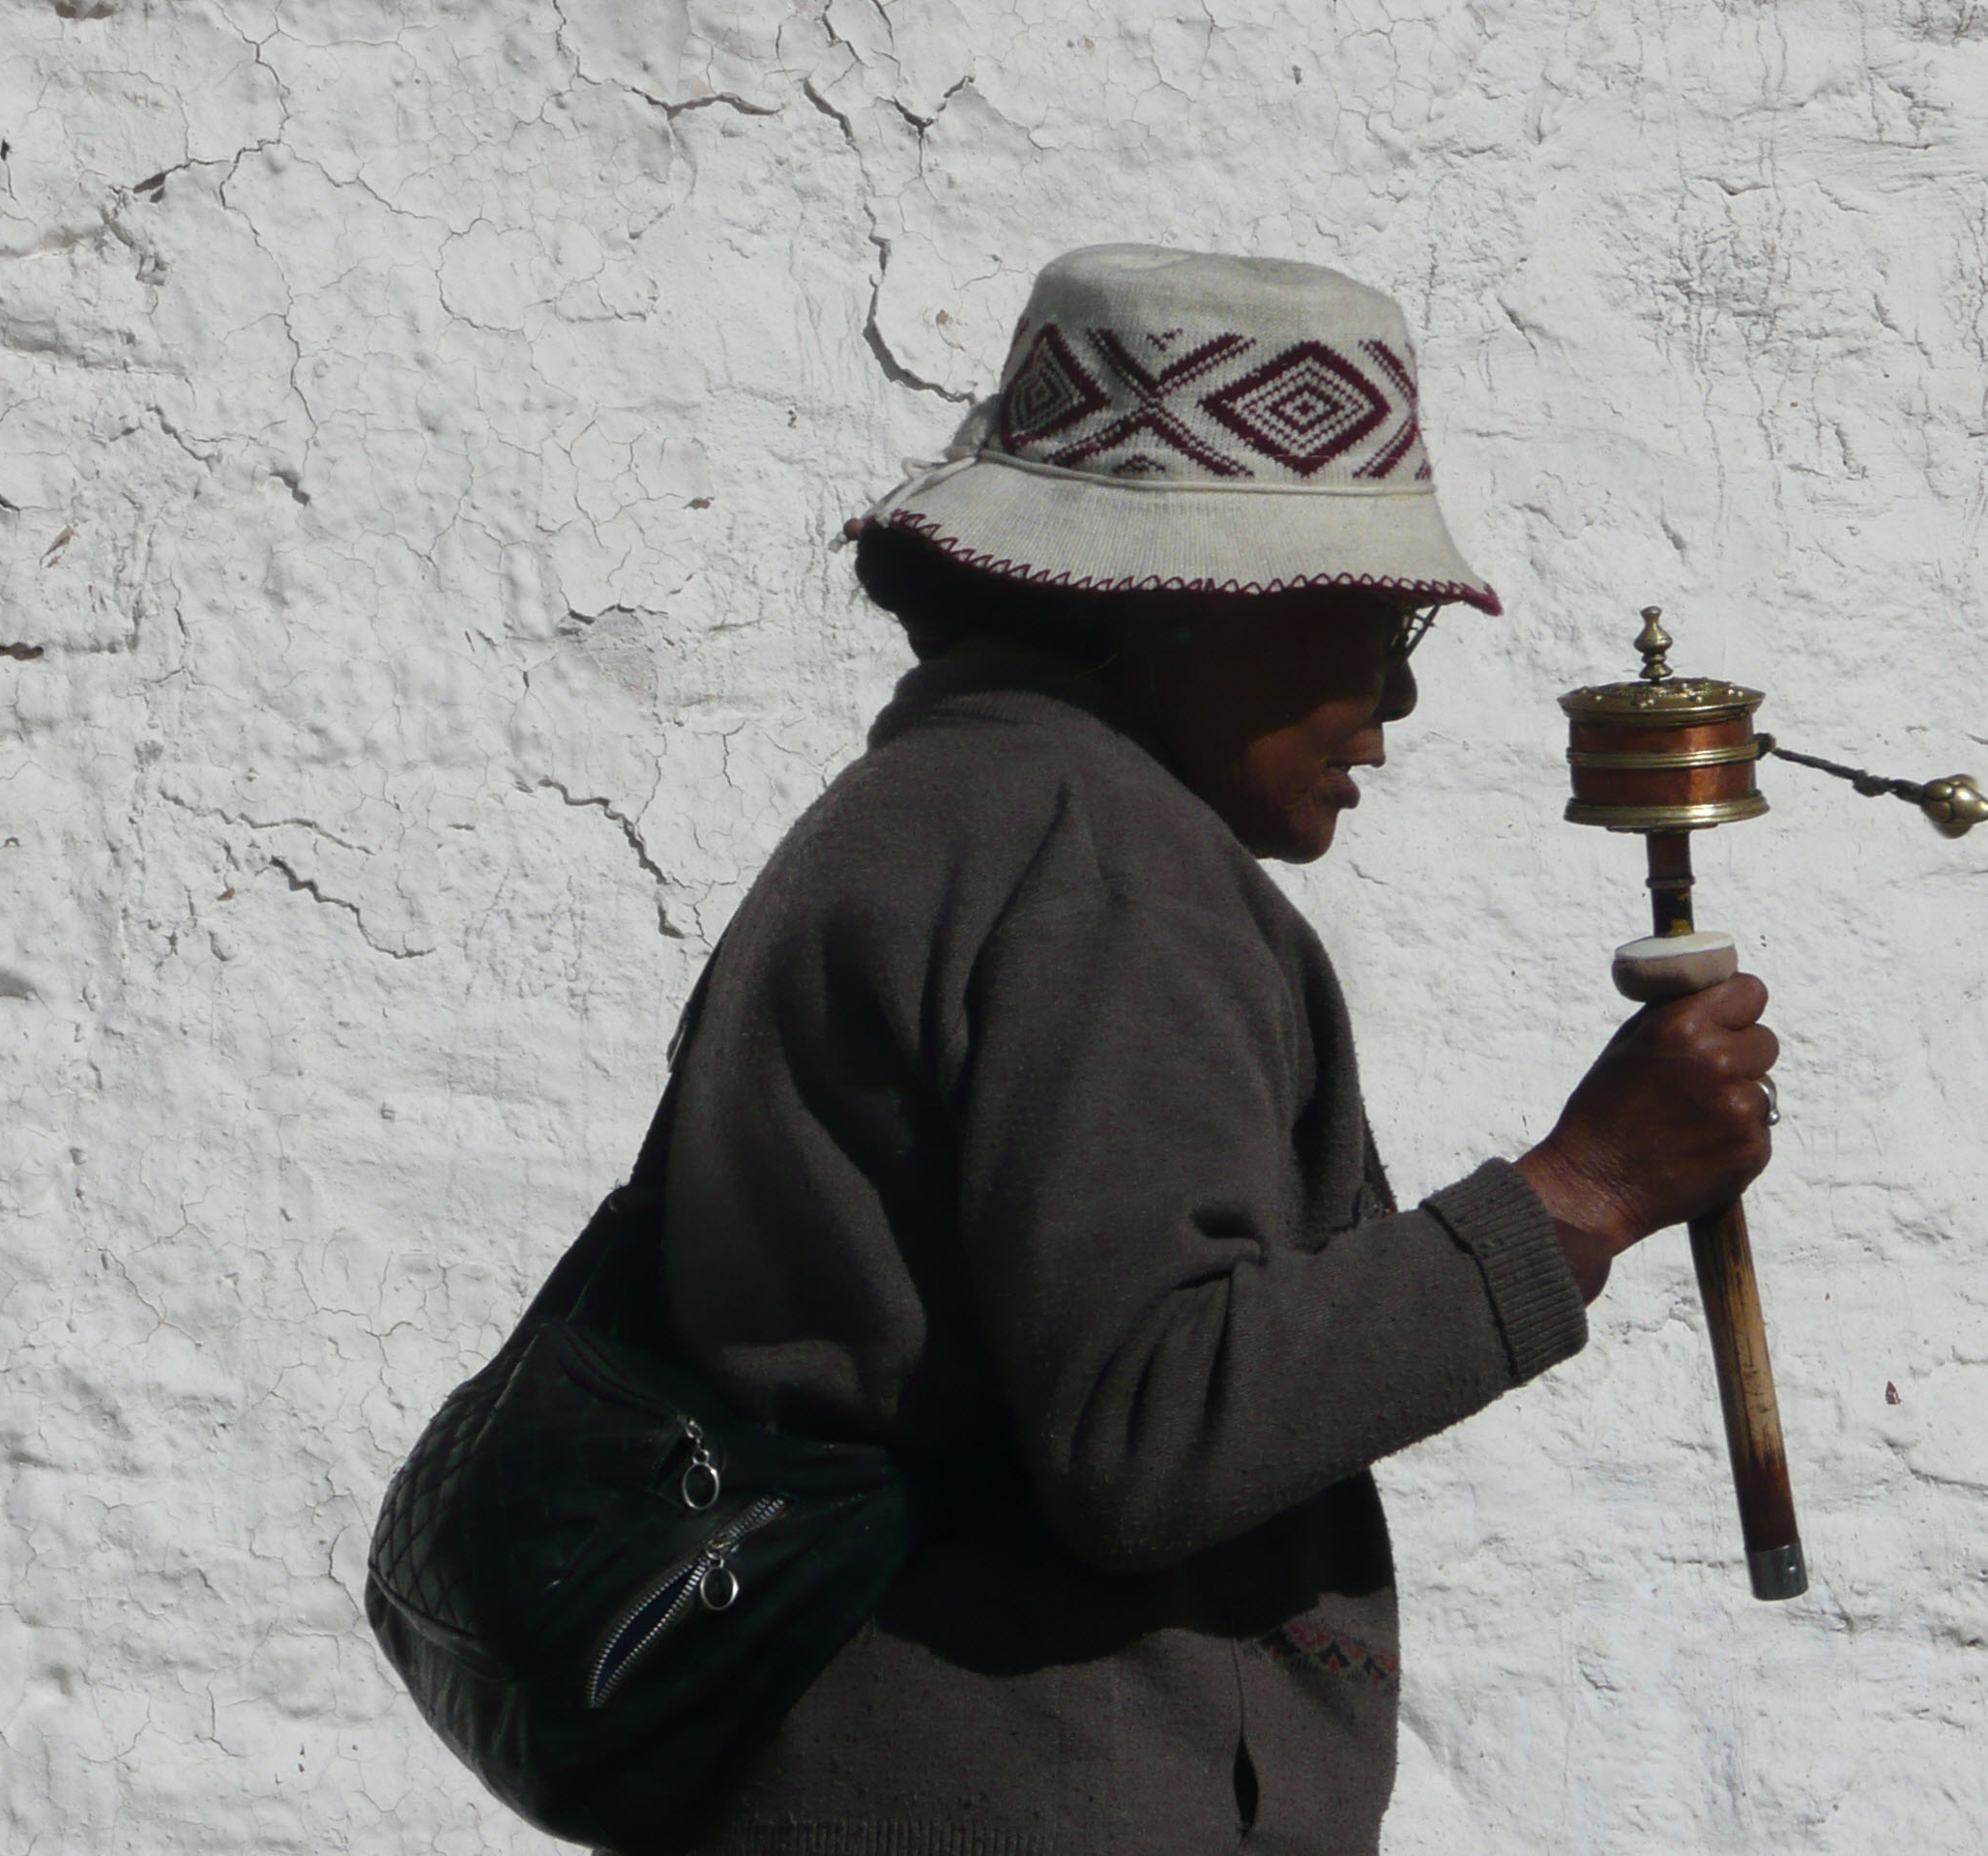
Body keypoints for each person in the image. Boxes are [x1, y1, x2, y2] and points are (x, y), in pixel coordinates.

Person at [654, 247, 1778, 1856]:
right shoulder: (1099, 862)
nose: (1397, 693)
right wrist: (1582, 1192)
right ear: (1183, 606)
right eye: (1371, 619)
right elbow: (1153, 1433)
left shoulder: (921, 811)